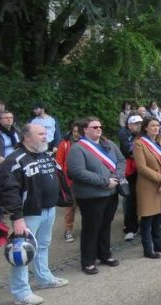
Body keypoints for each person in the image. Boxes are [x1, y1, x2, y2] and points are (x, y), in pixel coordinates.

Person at [0, 124, 70, 305]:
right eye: (40, 134)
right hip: (27, 213)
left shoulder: (45, 155)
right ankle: (21, 292)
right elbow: (9, 191)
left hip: (48, 209)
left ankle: (44, 278)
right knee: (22, 251)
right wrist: (17, 217)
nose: (45, 137)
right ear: (26, 137)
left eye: (45, 134)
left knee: (43, 245)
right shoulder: (15, 160)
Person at [66, 117, 125, 275]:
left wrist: (117, 177)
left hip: (111, 192)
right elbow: (78, 172)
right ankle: (88, 261)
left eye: (100, 126)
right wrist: (105, 181)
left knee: (106, 225)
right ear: (85, 129)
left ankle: (105, 255)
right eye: (94, 127)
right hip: (90, 196)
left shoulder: (109, 144)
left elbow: (121, 161)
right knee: (91, 228)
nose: (99, 129)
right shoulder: (78, 148)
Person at [133, 117, 161, 259]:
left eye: (157, 125)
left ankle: (158, 243)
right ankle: (147, 248)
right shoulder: (139, 144)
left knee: (159, 215)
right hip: (149, 185)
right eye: (152, 126)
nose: (156, 128)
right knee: (147, 218)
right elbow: (141, 167)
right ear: (145, 128)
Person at [55, 119, 84, 243]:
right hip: (70, 181)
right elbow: (59, 163)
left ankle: (87, 229)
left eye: (79, 131)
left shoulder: (87, 143)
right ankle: (68, 230)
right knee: (70, 207)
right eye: (75, 131)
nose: (77, 134)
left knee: (85, 206)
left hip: (84, 181)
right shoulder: (65, 144)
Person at [117, 114, 143, 242]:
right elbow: (128, 151)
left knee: (144, 199)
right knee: (131, 200)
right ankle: (130, 228)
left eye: (140, 124)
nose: (139, 126)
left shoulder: (144, 134)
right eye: (136, 124)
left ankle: (143, 226)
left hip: (143, 171)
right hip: (131, 173)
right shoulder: (124, 134)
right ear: (129, 125)